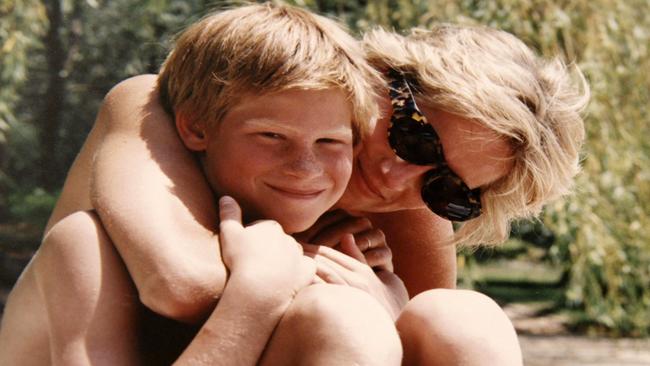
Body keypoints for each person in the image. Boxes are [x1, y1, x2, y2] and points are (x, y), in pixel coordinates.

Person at [2, 4, 590, 366]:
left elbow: (427, 341)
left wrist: (393, 306)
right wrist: (291, 267)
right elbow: (180, 286)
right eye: (415, 138)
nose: (395, 178)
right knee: (345, 319)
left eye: (449, 190)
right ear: (382, 78)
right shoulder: (160, 107)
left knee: (464, 319)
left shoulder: (411, 209)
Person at [0, 4, 404, 365]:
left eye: (329, 141)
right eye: (272, 136)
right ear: (195, 128)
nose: (305, 166)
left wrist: (389, 300)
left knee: (450, 318)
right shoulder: (88, 247)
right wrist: (255, 298)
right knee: (347, 323)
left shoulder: (325, 247)